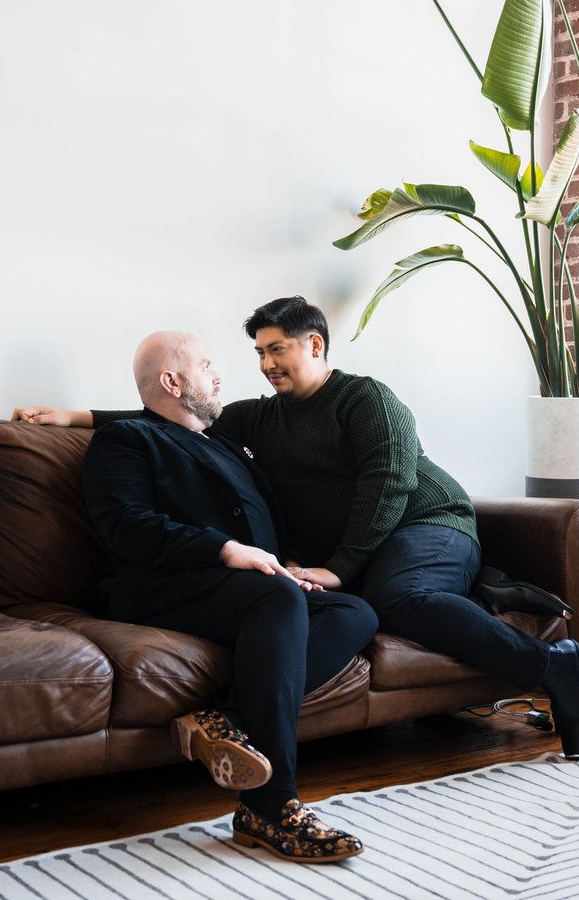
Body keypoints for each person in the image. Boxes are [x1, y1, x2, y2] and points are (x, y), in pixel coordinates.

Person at [15, 297, 579, 760]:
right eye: (259, 353)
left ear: (314, 344)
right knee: (363, 605)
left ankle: (555, 665)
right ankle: (486, 603)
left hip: (428, 522)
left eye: (278, 349)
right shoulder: (258, 416)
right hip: (366, 545)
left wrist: (340, 568)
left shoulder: (366, 398)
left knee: (399, 596)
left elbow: (388, 487)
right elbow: (173, 417)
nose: (266, 364)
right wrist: (74, 417)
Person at [79, 330, 375, 863]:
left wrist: (285, 566)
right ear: (172, 381)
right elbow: (124, 526)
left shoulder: (226, 444)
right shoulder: (127, 439)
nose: (219, 375)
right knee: (278, 602)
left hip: (250, 586)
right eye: (207, 364)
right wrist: (225, 549)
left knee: (354, 612)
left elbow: (265, 527)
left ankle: (224, 721)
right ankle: (270, 804)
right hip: (164, 586)